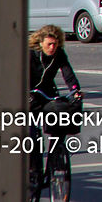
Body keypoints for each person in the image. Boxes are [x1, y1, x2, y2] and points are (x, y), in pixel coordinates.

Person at [29, 25, 81, 189]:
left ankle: (55, 157)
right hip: (29, 95)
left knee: (61, 117)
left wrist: (75, 91)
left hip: (47, 94)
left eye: (55, 44)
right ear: (40, 43)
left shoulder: (59, 54)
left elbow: (69, 75)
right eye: (49, 44)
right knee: (31, 134)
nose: (52, 47)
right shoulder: (30, 54)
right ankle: (33, 171)